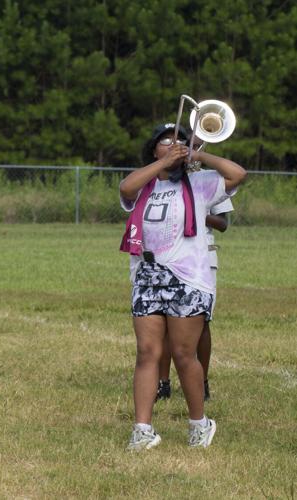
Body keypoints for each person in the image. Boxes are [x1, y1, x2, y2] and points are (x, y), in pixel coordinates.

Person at [119, 122, 246, 450]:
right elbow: (125, 188)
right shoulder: (145, 185)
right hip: (147, 277)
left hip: (188, 279)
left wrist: (199, 154)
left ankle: (199, 423)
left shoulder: (199, 183)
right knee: (147, 351)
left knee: (183, 353)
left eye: (180, 141)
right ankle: (142, 430)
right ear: (153, 150)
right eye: (166, 141)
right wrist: (162, 164)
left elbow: (237, 174)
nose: (174, 145)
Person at [156, 189, 233, 402]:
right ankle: (163, 383)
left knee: (201, 321)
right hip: (169, 253)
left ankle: (202, 381)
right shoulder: (164, 178)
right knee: (164, 319)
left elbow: (222, 223)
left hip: (202, 255)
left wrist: (193, 209)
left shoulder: (208, 178)